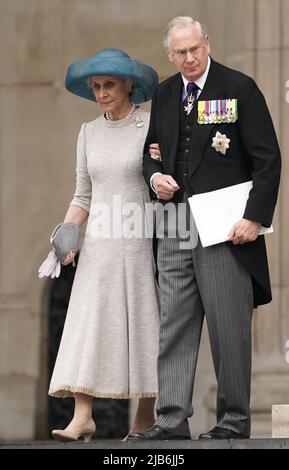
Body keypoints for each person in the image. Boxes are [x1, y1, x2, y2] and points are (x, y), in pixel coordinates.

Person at [127, 16, 281, 441]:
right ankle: (172, 420)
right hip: (175, 223)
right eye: (181, 52)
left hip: (225, 229)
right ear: (169, 55)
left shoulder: (239, 88)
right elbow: (151, 154)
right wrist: (154, 176)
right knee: (173, 323)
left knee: (228, 327)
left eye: (196, 48)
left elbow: (268, 159)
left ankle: (233, 421)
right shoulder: (164, 92)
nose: (190, 57)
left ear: (207, 43)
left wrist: (255, 218)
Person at [39, 48, 160, 442]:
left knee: (144, 324)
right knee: (87, 322)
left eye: (109, 84)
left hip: (141, 240)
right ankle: (83, 416)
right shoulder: (88, 132)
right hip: (100, 246)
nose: (102, 92)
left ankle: (144, 418)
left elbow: (163, 181)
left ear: (129, 85)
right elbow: (82, 196)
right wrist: (66, 236)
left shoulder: (150, 127)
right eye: (96, 86)